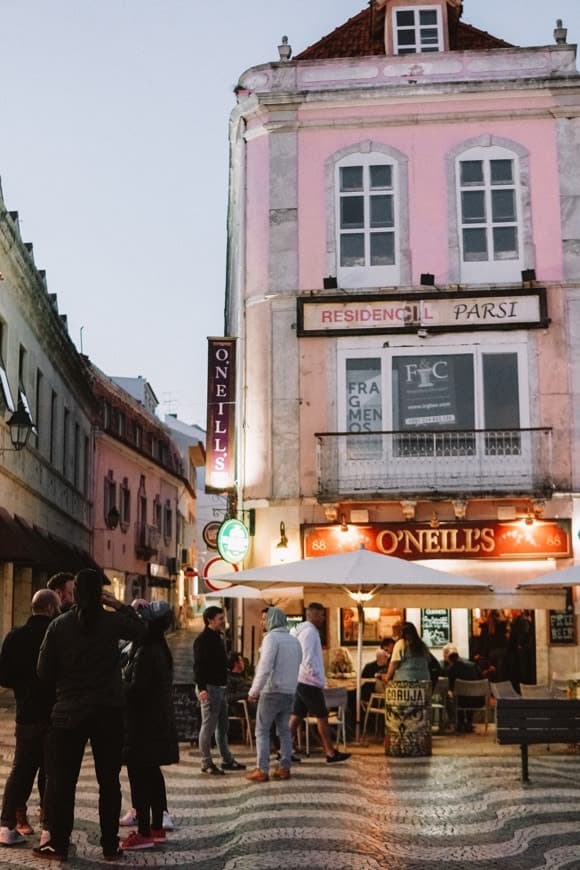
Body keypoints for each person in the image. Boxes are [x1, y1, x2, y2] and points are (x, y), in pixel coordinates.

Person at [34, 569, 146, 862]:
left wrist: (66, 680)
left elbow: (43, 671)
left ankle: (58, 844)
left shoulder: (58, 625)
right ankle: (110, 846)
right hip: (108, 711)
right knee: (109, 781)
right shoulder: (111, 622)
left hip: (68, 712)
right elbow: (142, 632)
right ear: (99, 594)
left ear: (75, 593)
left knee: (63, 781)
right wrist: (120, 605)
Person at [0, 589, 60, 847]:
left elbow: (3, 676)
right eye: (57, 607)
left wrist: (23, 689)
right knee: (52, 772)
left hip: (26, 713)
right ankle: (50, 829)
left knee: (20, 770)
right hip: (54, 713)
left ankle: (5, 825)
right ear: (49, 609)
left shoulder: (15, 636)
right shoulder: (57, 634)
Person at [120, 600, 179, 851]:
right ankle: (155, 828)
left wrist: (116, 683)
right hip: (155, 722)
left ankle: (143, 832)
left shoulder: (146, 652)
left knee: (140, 776)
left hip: (142, 724)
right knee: (152, 775)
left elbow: (136, 690)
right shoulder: (159, 648)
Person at [246, 607, 302, 783]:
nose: (262, 622)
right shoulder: (294, 640)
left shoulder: (271, 638)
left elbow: (265, 667)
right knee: (284, 730)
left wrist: (254, 691)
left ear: (271, 620)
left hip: (271, 691)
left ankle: (262, 770)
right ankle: (285, 767)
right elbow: (298, 663)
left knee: (261, 730)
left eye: (265, 619)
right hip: (289, 692)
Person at [290, 603, 350, 764]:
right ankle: (330, 753)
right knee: (322, 716)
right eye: (322, 615)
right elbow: (308, 657)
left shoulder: (302, 631)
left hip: (301, 679)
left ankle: (284, 749)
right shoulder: (309, 633)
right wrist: (317, 676)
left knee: (297, 716)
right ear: (314, 615)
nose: (323, 618)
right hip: (309, 682)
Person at [193, 606, 246, 776]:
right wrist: (202, 689)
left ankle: (227, 759)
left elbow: (220, 662)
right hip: (209, 688)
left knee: (223, 726)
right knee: (208, 726)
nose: (223, 621)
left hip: (221, 687)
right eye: (220, 619)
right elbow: (198, 666)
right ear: (210, 620)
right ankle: (206, 762)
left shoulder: (218, 637)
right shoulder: (202, 640)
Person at [447, 651, 483, 733]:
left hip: (461, 701)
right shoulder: (473, 665)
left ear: (450, 661)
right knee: (468, 695)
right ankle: (469, 724)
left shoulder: (451, 669)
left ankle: (460, 723)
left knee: (456, 698)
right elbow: (482, 678)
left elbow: (450, 685)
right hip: (477, 699)